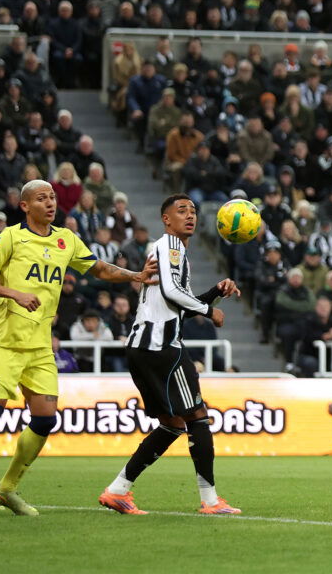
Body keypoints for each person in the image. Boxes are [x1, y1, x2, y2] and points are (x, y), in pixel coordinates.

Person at [0, 179, 158, 517]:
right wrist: (15, 293)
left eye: (53, 198)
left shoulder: (66, 240)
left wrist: (135, 275)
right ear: (25, 205)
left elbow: (100, 268)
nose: (50, 203)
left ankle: (5, 489)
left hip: (40, 345)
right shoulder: (10, 238)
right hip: (4, 340)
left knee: (45, 419)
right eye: (41, 198)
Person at [98, 194, 242, 516]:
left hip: (142, 348)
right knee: (198, 416)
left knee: (173, 423)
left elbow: (176, 307)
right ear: (166, 219)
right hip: (162, 347)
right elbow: (172, 293)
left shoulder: (169, 254)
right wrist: (209, 310)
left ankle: (117, 491)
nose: (189, 216)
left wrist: (215, 294)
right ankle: (210, 501)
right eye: (181, 211)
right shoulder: (171, 246)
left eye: (193, 211)